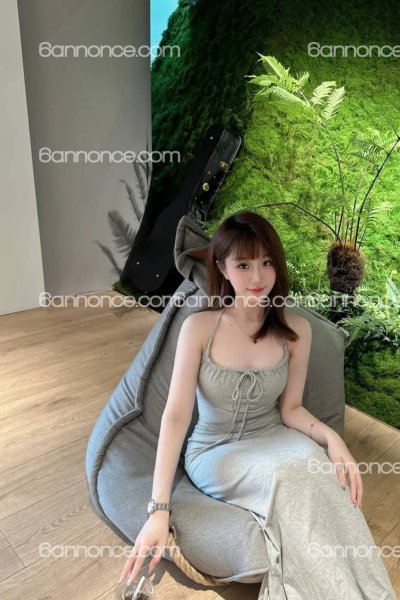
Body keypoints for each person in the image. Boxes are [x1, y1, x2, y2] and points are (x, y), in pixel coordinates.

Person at [119, 210, 397, 599]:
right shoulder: (199, 328)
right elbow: (176, 417)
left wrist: (332, 439)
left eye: (267, 263)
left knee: (319, 468)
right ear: (223, 268)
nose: (257, 277)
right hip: (215, 450)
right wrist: (159, 509)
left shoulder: (296, 332)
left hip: (274, 435)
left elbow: (291, 409)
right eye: (244, 264)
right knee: (288, 474)